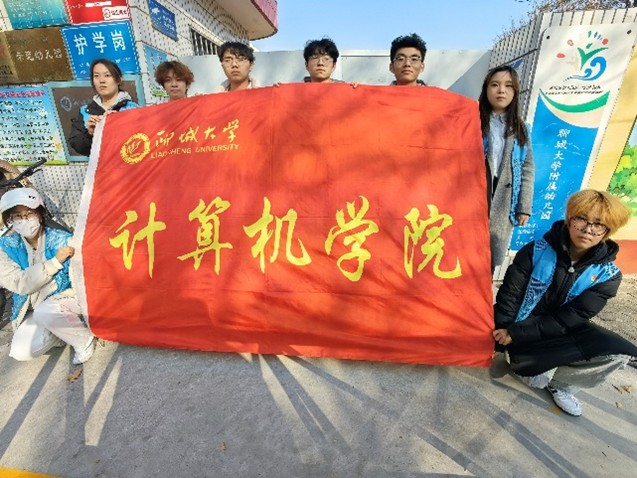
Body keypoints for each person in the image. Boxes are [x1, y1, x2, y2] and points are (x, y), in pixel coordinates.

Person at [493, 190, 637, 417]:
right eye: (582, 220)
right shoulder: (536, 251)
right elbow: (510, 296)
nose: (588, 230)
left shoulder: (607, 276)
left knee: (617, 352)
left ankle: (560, 383)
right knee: (534, 377)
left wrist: (518, 333)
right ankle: (532, 365)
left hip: (559, 330)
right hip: (520, 328)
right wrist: (502, 336)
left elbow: (571, 318)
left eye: (598, 225)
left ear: (608, 230)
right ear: (570, 219)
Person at [0, 188, 96, 364]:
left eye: (29, 213)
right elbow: (19, 283)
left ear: (40, 213)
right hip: (33, 309)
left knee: (46, 311)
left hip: (67, 300)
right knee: (21, 351)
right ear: (10, 220)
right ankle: (62, 331)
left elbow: (82, 277)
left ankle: (84, 340)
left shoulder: (62, 240)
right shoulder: (6, 246)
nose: (24, 220)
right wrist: (55, 263)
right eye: (17, 216)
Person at [479, 65, 535, 272]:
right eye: (495, 85)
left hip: (504, 196)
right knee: (465, 250)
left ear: (515, 92)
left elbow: (527, 167)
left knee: (490, 257)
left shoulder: (521, 127)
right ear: (486, 89)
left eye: (508, 86)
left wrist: (524, 207)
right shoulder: (472, 120)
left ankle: (484, 292)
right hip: (475, 191)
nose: (501, 90)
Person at [68, 58, 139, 156]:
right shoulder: (85, 112)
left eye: (107, 75)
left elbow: (143, 141)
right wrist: (90, 134)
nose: (101, 81)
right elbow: (78, 146)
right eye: (96, 76)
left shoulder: (134, 109)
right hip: (101, 166)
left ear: (118, 80)